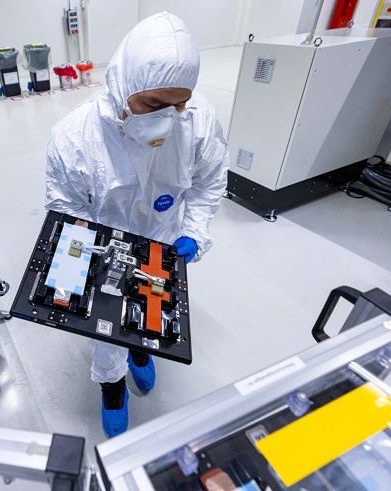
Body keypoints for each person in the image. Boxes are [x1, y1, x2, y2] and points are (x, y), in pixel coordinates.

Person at [45, 12, 229, 437]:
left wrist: (193, 231)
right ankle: (112, 386)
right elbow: (66, 208)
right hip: (101, 247)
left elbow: (208, 182)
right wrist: (76, 265)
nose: (168, 116)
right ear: (123, 83)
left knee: (150, 307)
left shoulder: (198, 122)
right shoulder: (75, 137)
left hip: (161, 243)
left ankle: (142, 351)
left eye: (179, 103)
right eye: (152, 104)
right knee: (107, 325)